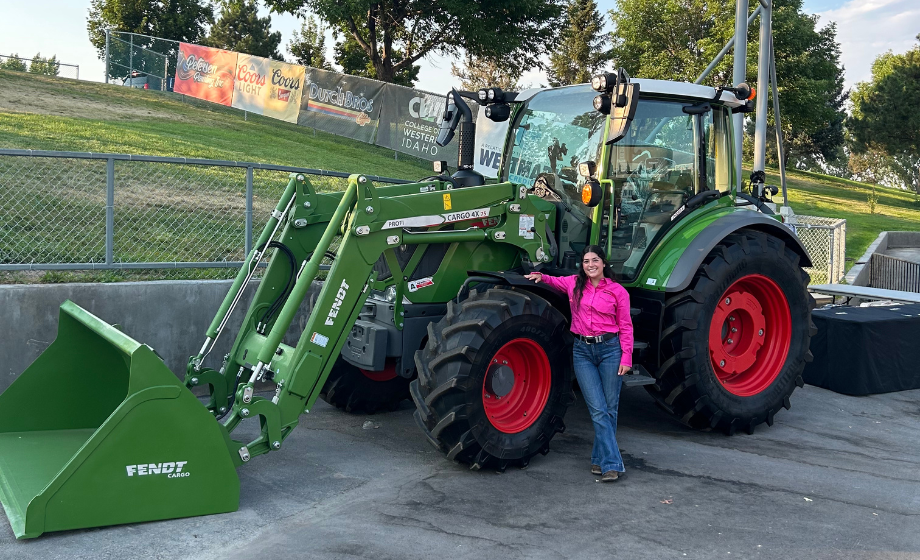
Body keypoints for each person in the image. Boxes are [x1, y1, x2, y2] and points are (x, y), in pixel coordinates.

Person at [525, 245, 634, 482]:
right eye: (586, 261)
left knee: (609, 409)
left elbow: (625, 326)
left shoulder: (617, 292)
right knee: (597, 408)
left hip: (610, 351)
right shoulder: (574, 284)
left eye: (595, 260)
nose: (590, 265)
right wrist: (540, 277)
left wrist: (626, 357)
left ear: (604, 263)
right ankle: (612, 463)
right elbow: (554, 281)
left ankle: (600, 460)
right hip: (583, 351)